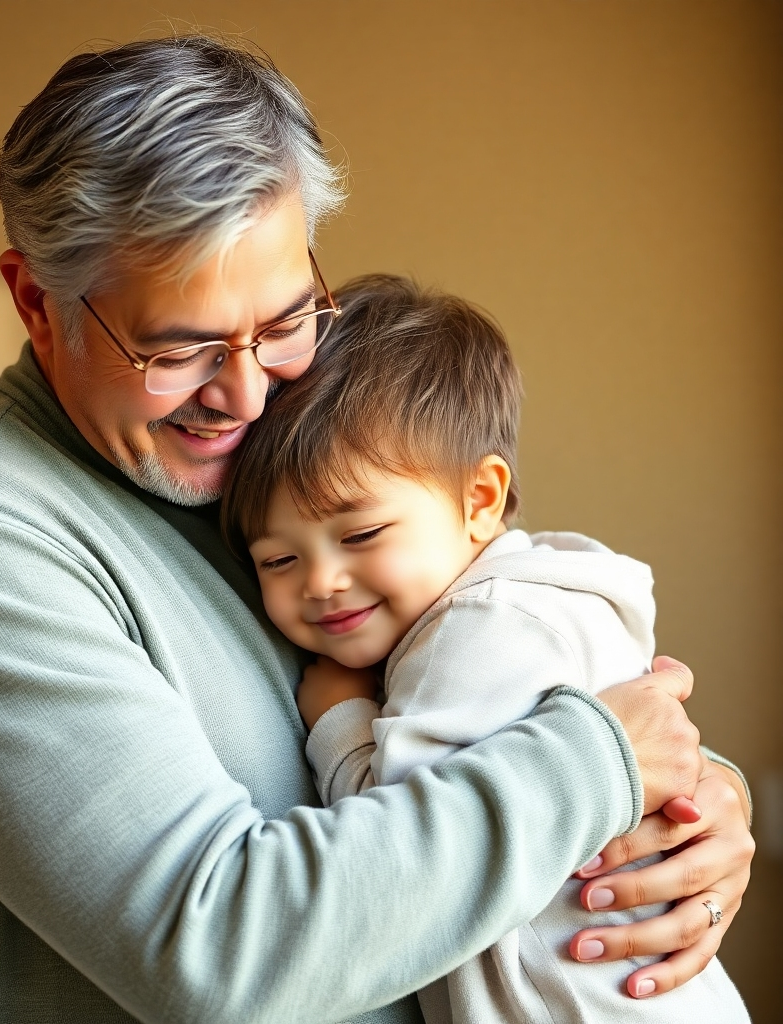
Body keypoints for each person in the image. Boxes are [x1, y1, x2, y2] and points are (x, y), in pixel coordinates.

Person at [0, 35, 753, 1023]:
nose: (241, 394)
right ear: (35, 301)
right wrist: (596, 768)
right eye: (179, 347)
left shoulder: (265, 458)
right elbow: (220, 952)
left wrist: (691, 810)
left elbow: (489, 677)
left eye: (282, 321)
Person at [223, 275, 750, 1024]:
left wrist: (340, 722)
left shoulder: (475, 631)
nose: (322, 582)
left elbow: (403, 861)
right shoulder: (553, 594)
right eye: (277, 560)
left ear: (479, 500)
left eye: (362, 534)